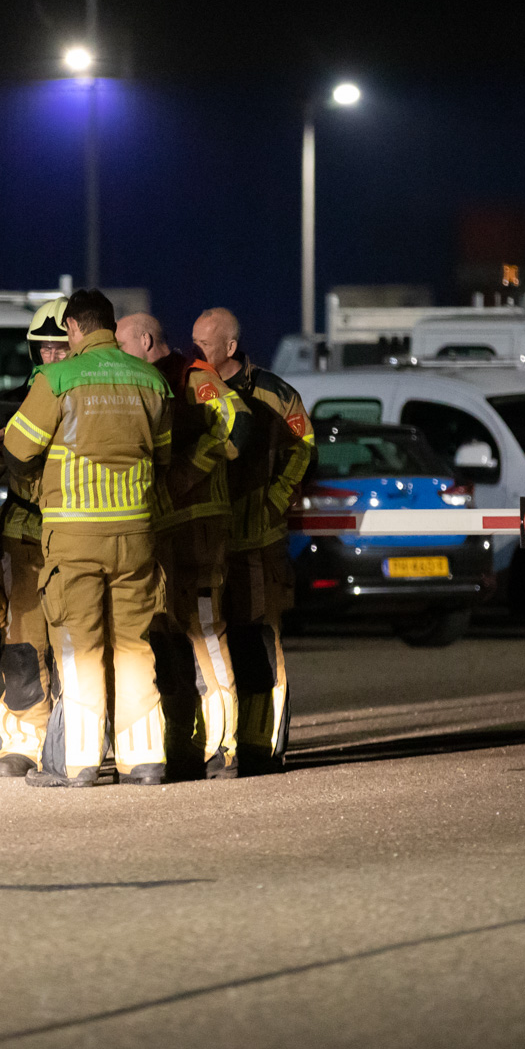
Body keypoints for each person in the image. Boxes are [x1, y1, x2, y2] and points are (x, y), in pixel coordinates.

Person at [2, 289, 172, 788]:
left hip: (75, 537)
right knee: (135, 646)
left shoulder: (58, 378)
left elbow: (17, 447)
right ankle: (144, 760)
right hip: (136, 533)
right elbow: (163, 456)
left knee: (80, 647)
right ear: (111, 326)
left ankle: (78, 763)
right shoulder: (152, 380)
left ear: (74, 327)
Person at [116, 311, 246, 778]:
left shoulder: (194, 377)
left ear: (146, 341)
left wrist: (190, 472)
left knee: (206, 634)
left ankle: (223, 747)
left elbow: (237, 427)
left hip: (199, 527)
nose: (116, 355)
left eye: (122, 345)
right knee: (169, 638)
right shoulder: (145, 384)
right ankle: (184, 746)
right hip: (163, 531)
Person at [192, 307, 314, 775]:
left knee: (259, 643)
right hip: (212, 542)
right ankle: (220, 744)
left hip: (258, 541)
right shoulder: (194, 387)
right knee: (214, 648)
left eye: (204, 344)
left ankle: (264, 747)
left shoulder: (275, 393)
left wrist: (276, 499)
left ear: (230, 347)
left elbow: (305, 449)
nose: (195, 350)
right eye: (193, 341)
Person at [0, 297, 69, 776]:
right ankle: (24, 740)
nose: (53, 357)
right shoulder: (14, 401)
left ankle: (77, 739)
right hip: (24, 536)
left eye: (62, 347)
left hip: (76, 533)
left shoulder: (88, 399)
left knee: (76, 642)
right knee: (22, 644)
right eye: (45, 348)